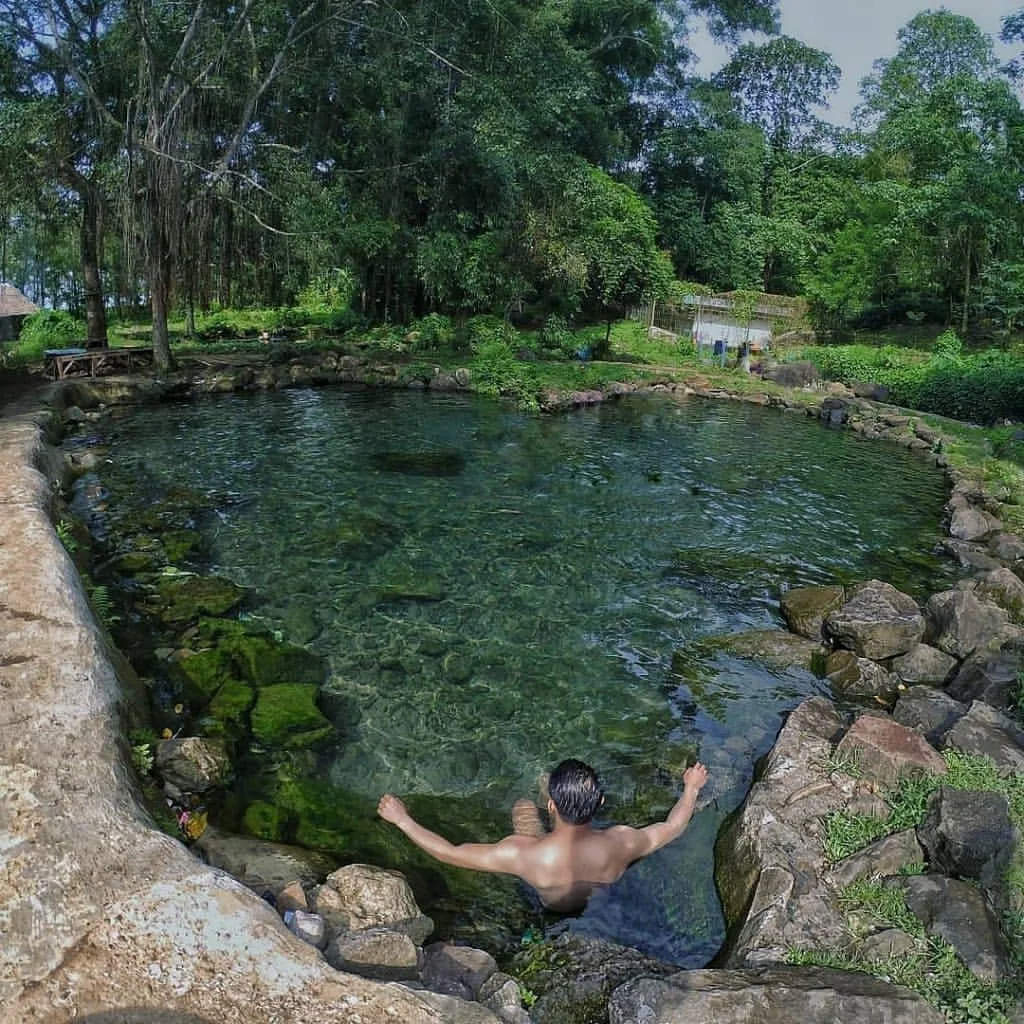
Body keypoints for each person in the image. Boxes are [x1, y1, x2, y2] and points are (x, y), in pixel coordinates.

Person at [377, 758, 709, 913]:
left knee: (522, 808)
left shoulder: (520, 853)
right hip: (598, 898)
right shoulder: (622, 841)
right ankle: (555, 789)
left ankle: (542, 791)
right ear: (601, 803)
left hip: (545, 894)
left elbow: (449, 852)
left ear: (552, 806)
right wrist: (691, 788)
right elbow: (673, 827)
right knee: (533, 816)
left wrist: (402, 819)